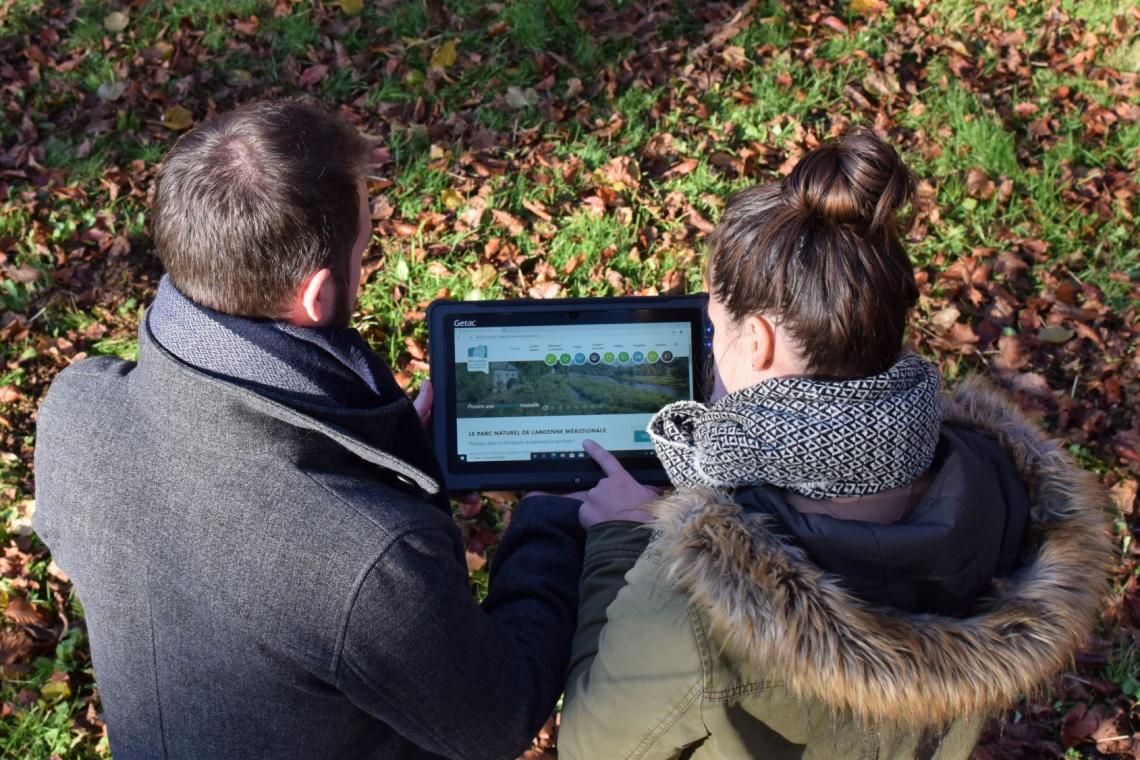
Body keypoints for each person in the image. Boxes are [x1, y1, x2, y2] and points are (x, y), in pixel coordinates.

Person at [33, 98, 600, 760]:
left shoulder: (75, 408)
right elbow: (496, 717)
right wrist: (552, 516)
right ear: (318, 295)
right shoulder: (371, 563)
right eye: (365, 243)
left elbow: (219, 527)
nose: (368, 255)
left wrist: (368, 460)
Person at [557, 128, 1112, 759]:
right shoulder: (1005, 487)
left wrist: (621, 541)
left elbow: (590, 748)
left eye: (714, 330)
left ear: (759, 341)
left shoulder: (691, 598)